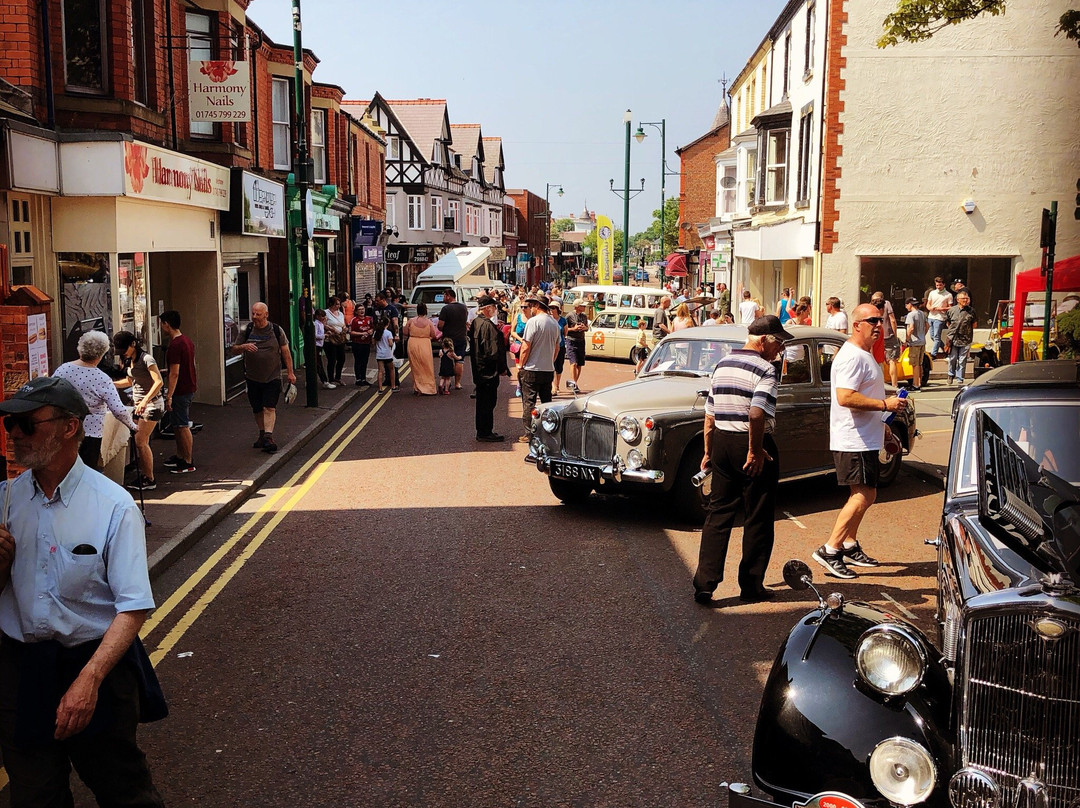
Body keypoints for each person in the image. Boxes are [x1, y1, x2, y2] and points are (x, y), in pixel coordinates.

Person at [0, 376, 166, 807]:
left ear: (69, 427)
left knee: (123, 791)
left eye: (26, 424)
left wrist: (89, 680)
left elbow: (133, 607)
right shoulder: (5, 501)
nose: (14, 434)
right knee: (35, 795)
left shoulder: (114, 506)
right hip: (22, 670)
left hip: (93, 664)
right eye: (8, 425)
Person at [693, 315, 792, 606]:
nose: (780, 350)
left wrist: (708, 452)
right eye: (779, 343)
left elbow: (709, 415)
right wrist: (754, 450)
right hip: (750, 442)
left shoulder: (722, 364)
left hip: (722, 440)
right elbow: (756, 413)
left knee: (719, 513)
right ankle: (751, 583)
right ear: (764, 340)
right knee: (758, 514)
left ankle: (705, 583)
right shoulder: (766, 369)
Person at [812, 303, 908, 579]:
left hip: (866, 436)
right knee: (863, 495)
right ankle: (830, 549)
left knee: (867, 493)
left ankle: (850, 544)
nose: (879, 326)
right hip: (852, 439)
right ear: (856, 325)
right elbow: (845, 397)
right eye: (872, 321)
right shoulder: (852, 357)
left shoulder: (864, 355)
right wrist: (884, 405)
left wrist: (884, 429)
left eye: (880, 321)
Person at [52, 331, 137, 470]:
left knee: (64, 471)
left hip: (64, 429)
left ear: (80, 348)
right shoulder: (102, 378)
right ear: (102, 353)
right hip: (90, 434)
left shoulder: (63, 369)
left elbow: (51, 394)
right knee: (86, 472)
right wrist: (133, 426)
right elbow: (119, 410)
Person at [233, 302, 296, 454]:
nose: (254, 317)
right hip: (252, 377)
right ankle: (262, 434)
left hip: (272, 377)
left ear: (266, 314)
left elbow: (286, 352)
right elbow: (234, 349)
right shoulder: (246, 330)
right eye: (253, 313)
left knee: (269, 407)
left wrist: (290, 372)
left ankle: (268, 437)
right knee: (257, 408)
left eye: (258, 314)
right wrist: (244, 347)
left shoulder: (276, 330)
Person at [112, 331, 164, 491]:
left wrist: (145, 401)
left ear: (133, 344)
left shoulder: (146, 359)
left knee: (141, 441)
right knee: (140, 442)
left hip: (152, 404)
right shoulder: (130, 360)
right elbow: (129, 380)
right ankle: (145, 475)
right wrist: (111, 384)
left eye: (124, 349)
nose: (123, 353)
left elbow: (159, 382)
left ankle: (150, 479)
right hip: (139, 405)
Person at [517, 295, 561, 442]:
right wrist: (550, 361)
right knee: (547, 402)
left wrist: (521, 364)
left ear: (536, 305)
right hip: (547, 369)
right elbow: (557, 347)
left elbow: (525, 346)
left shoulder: (533, 322)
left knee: (529, 402)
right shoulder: (555, 323)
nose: (530, 308)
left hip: (531, 368)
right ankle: (549, 431)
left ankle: (529, 433)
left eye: (531, 305)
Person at [159, 310, 197, 474]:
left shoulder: (175, 345)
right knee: (177, 424)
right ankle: (180, 456)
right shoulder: (186, 341)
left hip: (180, 390)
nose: (161, 327)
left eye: (161, 324)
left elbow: (175, 373)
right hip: (188, 387)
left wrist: (169, 396)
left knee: (182, 426)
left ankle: (188, 461)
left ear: (167, 324)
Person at [469, 295, 509, 442]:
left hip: (479, 370)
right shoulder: (487, 325)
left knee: (481, 403)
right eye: (494, 307)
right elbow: (492, 351)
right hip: (488, 372)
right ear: (487, 308)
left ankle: (482, 431)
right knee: (488, 403)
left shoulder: (476, 322)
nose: (495, 310)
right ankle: (486, 432)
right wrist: (502, 368)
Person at [404, 301, 440, 396]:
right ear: (426, 311)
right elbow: (433, 335)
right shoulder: (429, 322)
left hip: (412, 343)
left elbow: (405, 332)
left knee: (415, 366)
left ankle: (418, 388)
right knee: (427, 366)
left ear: (417, 311)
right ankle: (429, 388)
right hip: (425, 343)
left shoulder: (411, 321)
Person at [436, 288, 469, 392]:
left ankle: (446, 381)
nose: (443, 298)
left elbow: (440, 325)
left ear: (449, 296)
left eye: (445, 296)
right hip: (461, 337)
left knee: (447, 360)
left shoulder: (445, 309)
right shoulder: (464, 308)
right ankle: (458, 383)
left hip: (448, 339)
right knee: (459, 361)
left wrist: (441, 328)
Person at [944, 290, 977, 386]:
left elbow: (974, 324)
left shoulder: (971, 311)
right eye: (963, 299)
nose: (966, 300)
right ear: (958, 300)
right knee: (953, 358)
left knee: (962, 359)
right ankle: (950, 375)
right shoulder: (951, 310)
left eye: (967, 298)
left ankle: (960, 378)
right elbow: (948, 323)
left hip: (966, 339)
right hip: (953, 338)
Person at [871, 291, 901, 388]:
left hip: (878, 337)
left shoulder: (870, 307)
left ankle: (882, 383)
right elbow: (892, 319)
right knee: (892, 360)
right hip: (888, 335)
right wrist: (895, 334)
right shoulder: (886, 303)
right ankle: (894, 384)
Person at [564, 298, 590, 393]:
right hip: (571, 341)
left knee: (579, 364)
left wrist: (584, 328)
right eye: (583, 306)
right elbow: (565, 329)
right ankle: (573, 383)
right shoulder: (569, 316)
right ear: (577, 307)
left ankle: (575, 383)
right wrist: (573, 329)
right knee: (573, 363)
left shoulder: (584, 316)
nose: (584, 307)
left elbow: (587, 328)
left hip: (581, 341)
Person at [903, 298, 928, 390]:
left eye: (906, 305)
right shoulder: (922, 313)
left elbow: (911, 328)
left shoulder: (911, 315)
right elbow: (927, 326)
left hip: (914, 342)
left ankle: (915, 384)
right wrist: (923, 334)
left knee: (915, 364)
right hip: (922, 341)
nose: (906, 307)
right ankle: (919, 382)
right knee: (920, 363)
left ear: (910, 304)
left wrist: (907, 339)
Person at [349, 297, 374, 387]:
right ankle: (358, 379)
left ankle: (364, 378)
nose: (361, 311)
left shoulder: (368, 319)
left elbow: (372, 328)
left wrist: (371, 331)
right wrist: (361, 333)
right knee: (358, 361)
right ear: (356, 312)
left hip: (366, 344)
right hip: (357, 344)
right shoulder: (354, 320)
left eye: (363, 309)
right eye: (359, 310)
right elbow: (351, 332)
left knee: (365, 361)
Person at [926, 276, 953, 359]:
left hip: (940, 317)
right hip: (931, 316)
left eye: (940, 285)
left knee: (937, 336)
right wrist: (930, 308)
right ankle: (945, 349)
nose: (938, 287)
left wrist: (941, 309)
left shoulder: (948, 295)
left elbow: (951, 307)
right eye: (937, 285)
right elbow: (928, 304)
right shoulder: (932, 293)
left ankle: (934, 354)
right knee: (932, 336)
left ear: (944, 285)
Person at [322, 296, 347, 386]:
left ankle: (338, 377)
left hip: (340, 339)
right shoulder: (326, 313)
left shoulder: (340, 314)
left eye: (339, 304)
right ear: (331, 304)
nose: (338, 306)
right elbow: (323, 324)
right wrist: (332, 329)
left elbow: (343, 324)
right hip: (330, 340)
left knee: (341, 359)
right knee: (332, 360)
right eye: (336, 304)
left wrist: (344, 328)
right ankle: (331, 379)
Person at [550, 300, 568, 394]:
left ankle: (557, 385)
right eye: (550, 308)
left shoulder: (563, 320)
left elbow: (565, 333)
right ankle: (553, 387)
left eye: (553, 308)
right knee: (551, 365)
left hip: (560, 346)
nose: (551, 309)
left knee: (559, 366)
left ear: (557, 309)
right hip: (550, 346)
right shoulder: (549, 320)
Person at [373, 317, 395, 393]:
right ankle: (393, 386)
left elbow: (373, 342)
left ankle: (380, 388)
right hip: (388, 354)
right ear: (387, 324)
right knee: (391, 370)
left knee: (380, 371)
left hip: (379, 354)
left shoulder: (376, 332)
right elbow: (390, 343)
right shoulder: (388, 333)